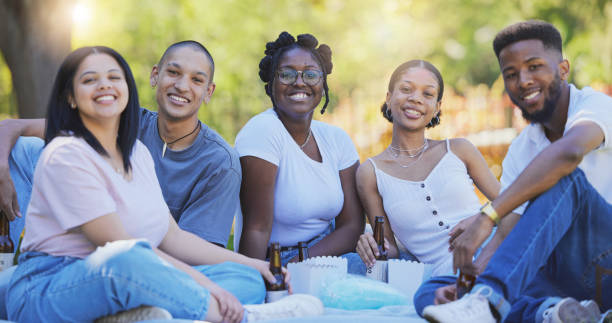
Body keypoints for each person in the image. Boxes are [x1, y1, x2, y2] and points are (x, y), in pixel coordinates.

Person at [6, 46, 323, 323]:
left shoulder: (136, 152)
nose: (105, 85)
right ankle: (243, 316)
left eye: (114, 77)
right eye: (90, 80)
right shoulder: (67, 154)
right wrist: (207, 286)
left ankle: (136, 313)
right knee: (128, 261)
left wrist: (258, 265)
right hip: (53, 283)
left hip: (134, 273)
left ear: (126, 88)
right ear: (71, 98)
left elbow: (172, 236)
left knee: (245, 280)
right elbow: (120, 247)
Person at [422, 20, 612, 323]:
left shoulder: (596, 106)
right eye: (511, 74)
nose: (523, 81)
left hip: (606, 264)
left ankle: (492, 301)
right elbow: (508, 230)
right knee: (433, 290)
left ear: (564, 69)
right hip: (567, 275)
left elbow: (569, 153)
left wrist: (486, 217)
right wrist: (471, 283)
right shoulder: (523, 146)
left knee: (565, 179)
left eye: (534, 66)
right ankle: (556, 313)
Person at [0, 40, 239, 248]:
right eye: (174, 73)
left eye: (196, 80)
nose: (182, 86)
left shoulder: (220, 163)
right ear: (155, 75)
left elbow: (190, 251)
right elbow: (10, 128)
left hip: (155, 264)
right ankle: (3, 255)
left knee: (244, 280)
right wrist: (2, 171)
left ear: (209, 92)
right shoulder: (119, 123)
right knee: (23, 150)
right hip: (99, 246)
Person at [354, 60, 501, 291]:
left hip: (495, 251)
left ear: (437, 106)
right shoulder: (370, 173)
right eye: (406, 89)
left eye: (428, 93)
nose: (416, 98)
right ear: (389, 98)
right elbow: (389, 248)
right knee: (426, 299)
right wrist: (368, 243)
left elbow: (513, 203)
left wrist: (482, 218)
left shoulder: (459, 150)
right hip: (444, 278)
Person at [235, 32, 364, 267]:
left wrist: (305, 263)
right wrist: (263, 279)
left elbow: (352, 226)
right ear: (271, 83)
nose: (299, 82)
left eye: (311, 74)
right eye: (286, 73)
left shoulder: (336, 139)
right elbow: (256, 229)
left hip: (328, 254)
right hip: (275, 259)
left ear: (322, 84)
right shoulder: (262, 132)